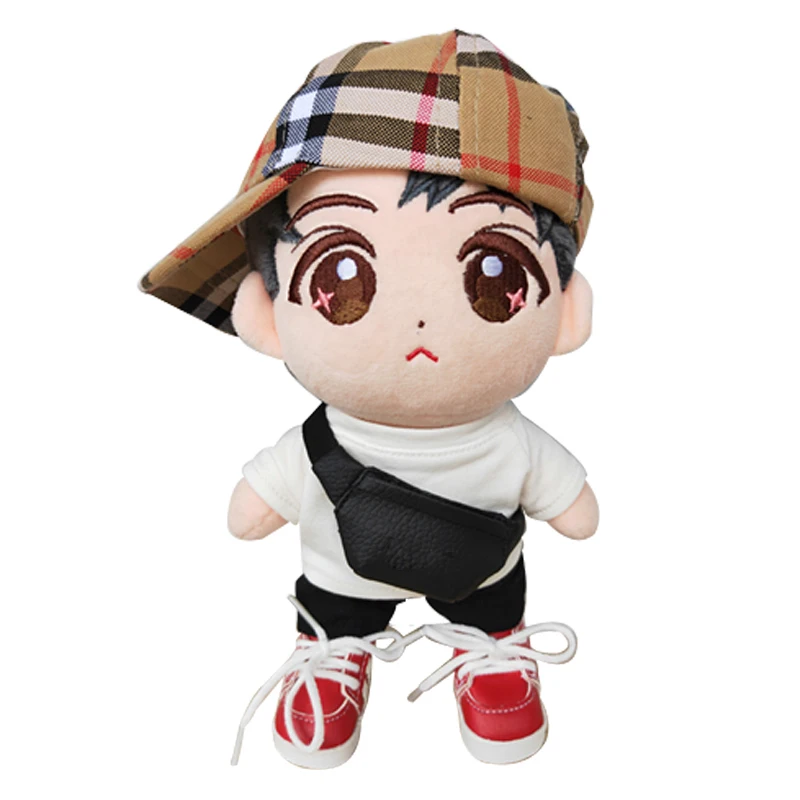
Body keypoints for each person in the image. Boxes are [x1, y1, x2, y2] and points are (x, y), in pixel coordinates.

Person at [140, 30, 598, 768]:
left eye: (493, 273)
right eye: (341, 273)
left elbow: (572, 506)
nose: (417, 321)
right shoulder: (323, 440)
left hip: (479, 567)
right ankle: (333, 642)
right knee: (333, 599)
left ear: (566, 315)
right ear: (268, 315)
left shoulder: (507, 439)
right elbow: (256, 504)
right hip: (340, 573)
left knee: (492, 593)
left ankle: (492, 641)